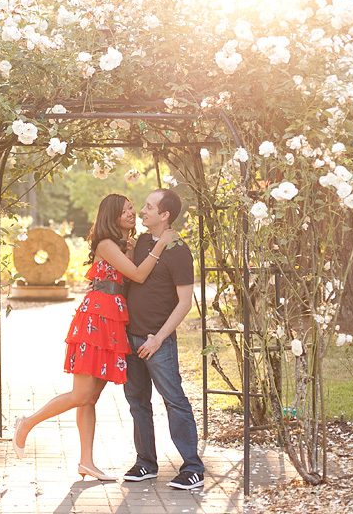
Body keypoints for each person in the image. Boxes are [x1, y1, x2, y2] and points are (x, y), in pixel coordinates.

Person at [12, 194, 175, 482]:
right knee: (81, 394)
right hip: (97, 319)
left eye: (132, 209)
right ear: (112, 216)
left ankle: (86, 462)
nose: (132, 213)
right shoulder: (107, 245)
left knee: (91, 397)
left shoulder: (128, 244)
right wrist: (160, 245)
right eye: (126, 210)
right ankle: (28, 423)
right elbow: (137, 275)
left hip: (113, 320)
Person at [121, 188, 205, 489]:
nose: (143, 211)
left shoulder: (179, 250)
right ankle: (146, 463)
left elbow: (185, 302)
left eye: (148, 207)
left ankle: (193, 468)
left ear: (164, 214)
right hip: (130, 338)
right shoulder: (143, 241)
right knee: (137, 402)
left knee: (175, 401)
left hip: (158, 342)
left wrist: (157, 339)